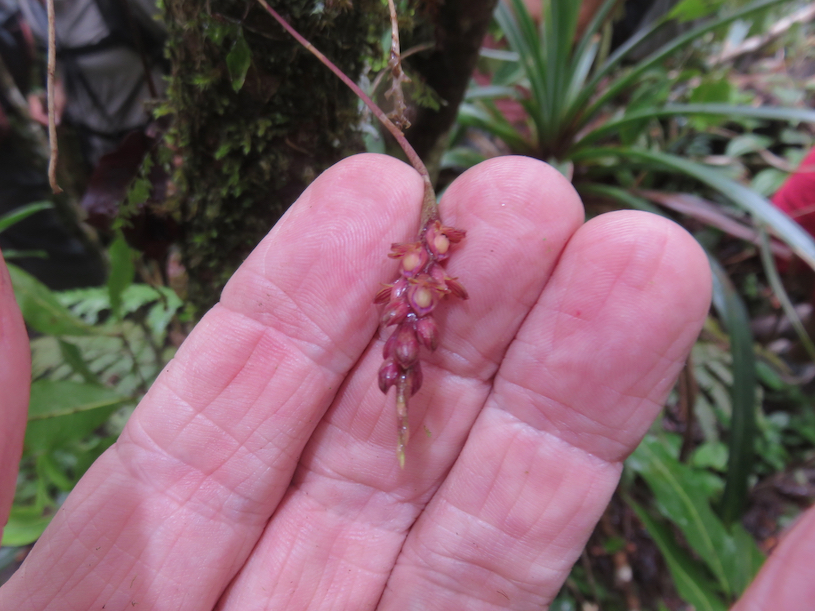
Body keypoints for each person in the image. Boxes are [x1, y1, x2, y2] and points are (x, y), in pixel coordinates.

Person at [0, 155, 811, 609]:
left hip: (413, 331)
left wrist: (420, 286)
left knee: (413, 354)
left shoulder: (428, 276)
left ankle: (401, 410)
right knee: (404, 357)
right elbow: (415, 288)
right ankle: (398, 411)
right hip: (406, 335)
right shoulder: (415, 280)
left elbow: (424, 287)